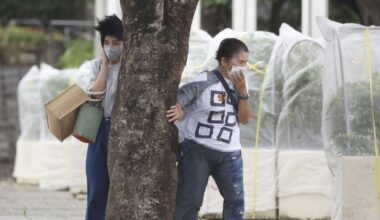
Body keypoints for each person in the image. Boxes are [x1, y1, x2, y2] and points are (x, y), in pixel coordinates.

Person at [166, 38, 252, 220]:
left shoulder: (242, 85)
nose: (244, 67)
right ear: (224, 61)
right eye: (241, 62)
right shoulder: (204, 80)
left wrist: (243, 92)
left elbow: (244, 119)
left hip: (230, 152)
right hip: (198, 149)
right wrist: (179, 108)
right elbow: (183, 96)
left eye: (246, 63)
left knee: (236, 202)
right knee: (190, 201)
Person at [85, 14, 123, 220]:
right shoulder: (95, 66)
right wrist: (105, 67)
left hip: (123, 130)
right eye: (106, 43)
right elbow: (94, 97)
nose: (111, 47)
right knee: (97, 191)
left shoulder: (134, 68)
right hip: (100, 129)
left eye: (116, 43)